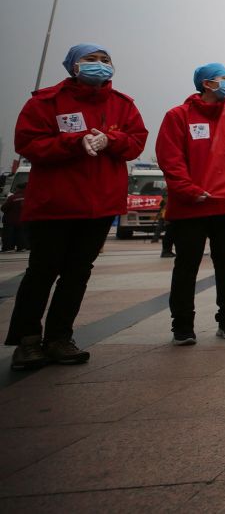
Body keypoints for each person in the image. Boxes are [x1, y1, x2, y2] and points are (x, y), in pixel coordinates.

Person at [6, 44, 147, 369]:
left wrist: (112, 141)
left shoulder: (122, 105)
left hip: (98, 206)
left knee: (77, 273)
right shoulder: (46, 101)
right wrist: (74, 141)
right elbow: (27, 142)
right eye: (91, 60)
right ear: (72, 66)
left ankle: (59, 338)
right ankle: (27, 342)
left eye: (105, 60)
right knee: (42, 272)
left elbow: (136, 141)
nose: (99, 65)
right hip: (56, 204)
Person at [158, 63, 225, 346]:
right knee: (187, 266)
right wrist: (188, 190)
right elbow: (170, 159)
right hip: (190, 206)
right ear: (207, 84)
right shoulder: (178, 116)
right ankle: (183, 325)